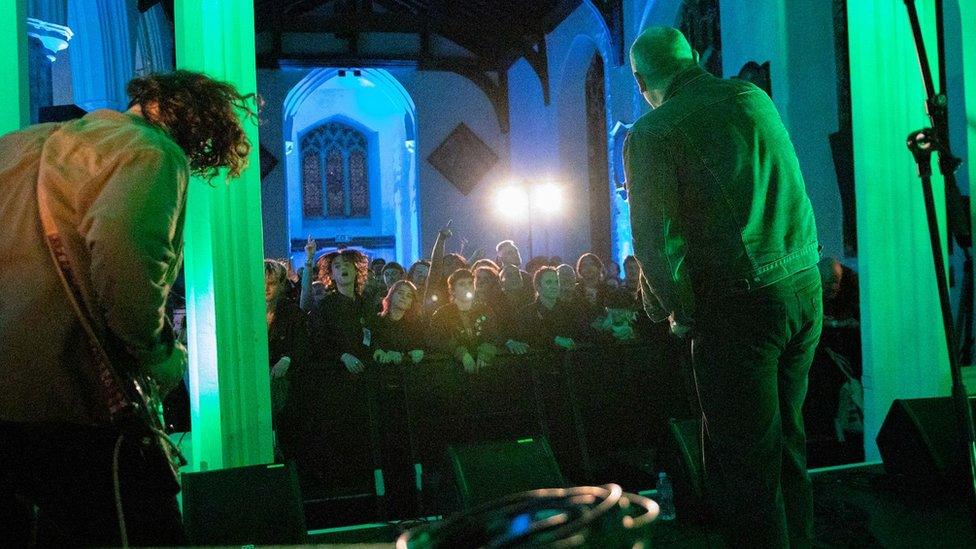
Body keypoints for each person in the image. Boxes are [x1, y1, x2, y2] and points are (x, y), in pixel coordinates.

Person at [0, 70, 255, 546]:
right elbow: (128, 271)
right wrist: (163, 356)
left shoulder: (21, 143)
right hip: (73, 403)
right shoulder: (150, 152)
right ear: (200, 129)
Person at [625, 27, 822, 547]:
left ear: (641, 80)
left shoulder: (652, 133)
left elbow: (653, 242)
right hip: (804, 288)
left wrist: (678, 311)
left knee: (743, 473)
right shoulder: (751, 96)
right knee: (787, 448)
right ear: (692, 56)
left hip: (740, 308)